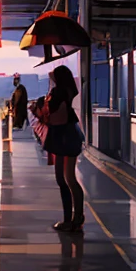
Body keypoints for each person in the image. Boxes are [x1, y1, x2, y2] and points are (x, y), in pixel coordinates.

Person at [42, 64, 85, 232]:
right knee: (69, 179)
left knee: (64, 179)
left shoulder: (57, 93)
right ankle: (76, 216)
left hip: (62, 138)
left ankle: (70, 220)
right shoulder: (68, 91)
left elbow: (52, 116)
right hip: (70, 136)